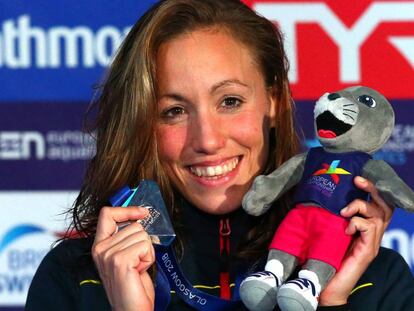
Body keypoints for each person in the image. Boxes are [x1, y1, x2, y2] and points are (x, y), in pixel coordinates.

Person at [26, 0, 414, 310]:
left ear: (274, 100)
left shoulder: (374, 275)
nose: (207, 140)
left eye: (229, 101)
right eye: (173, 111)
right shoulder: (78, 276)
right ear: (143, 122)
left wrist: (332, 300)